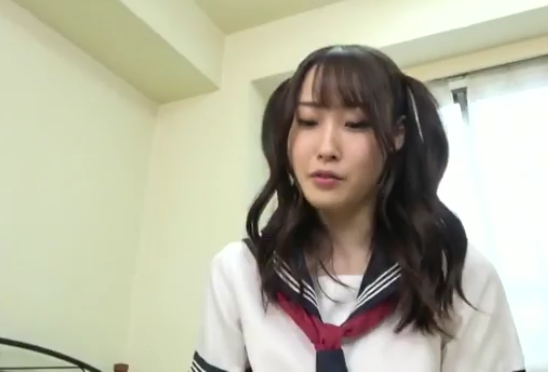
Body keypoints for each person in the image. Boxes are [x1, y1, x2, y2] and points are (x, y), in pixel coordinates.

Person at [190, 45, 525, 372]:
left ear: (397, 135)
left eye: (355, 123)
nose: (326, 148)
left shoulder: (457, 273)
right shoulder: (239, 271)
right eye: (308, 121)